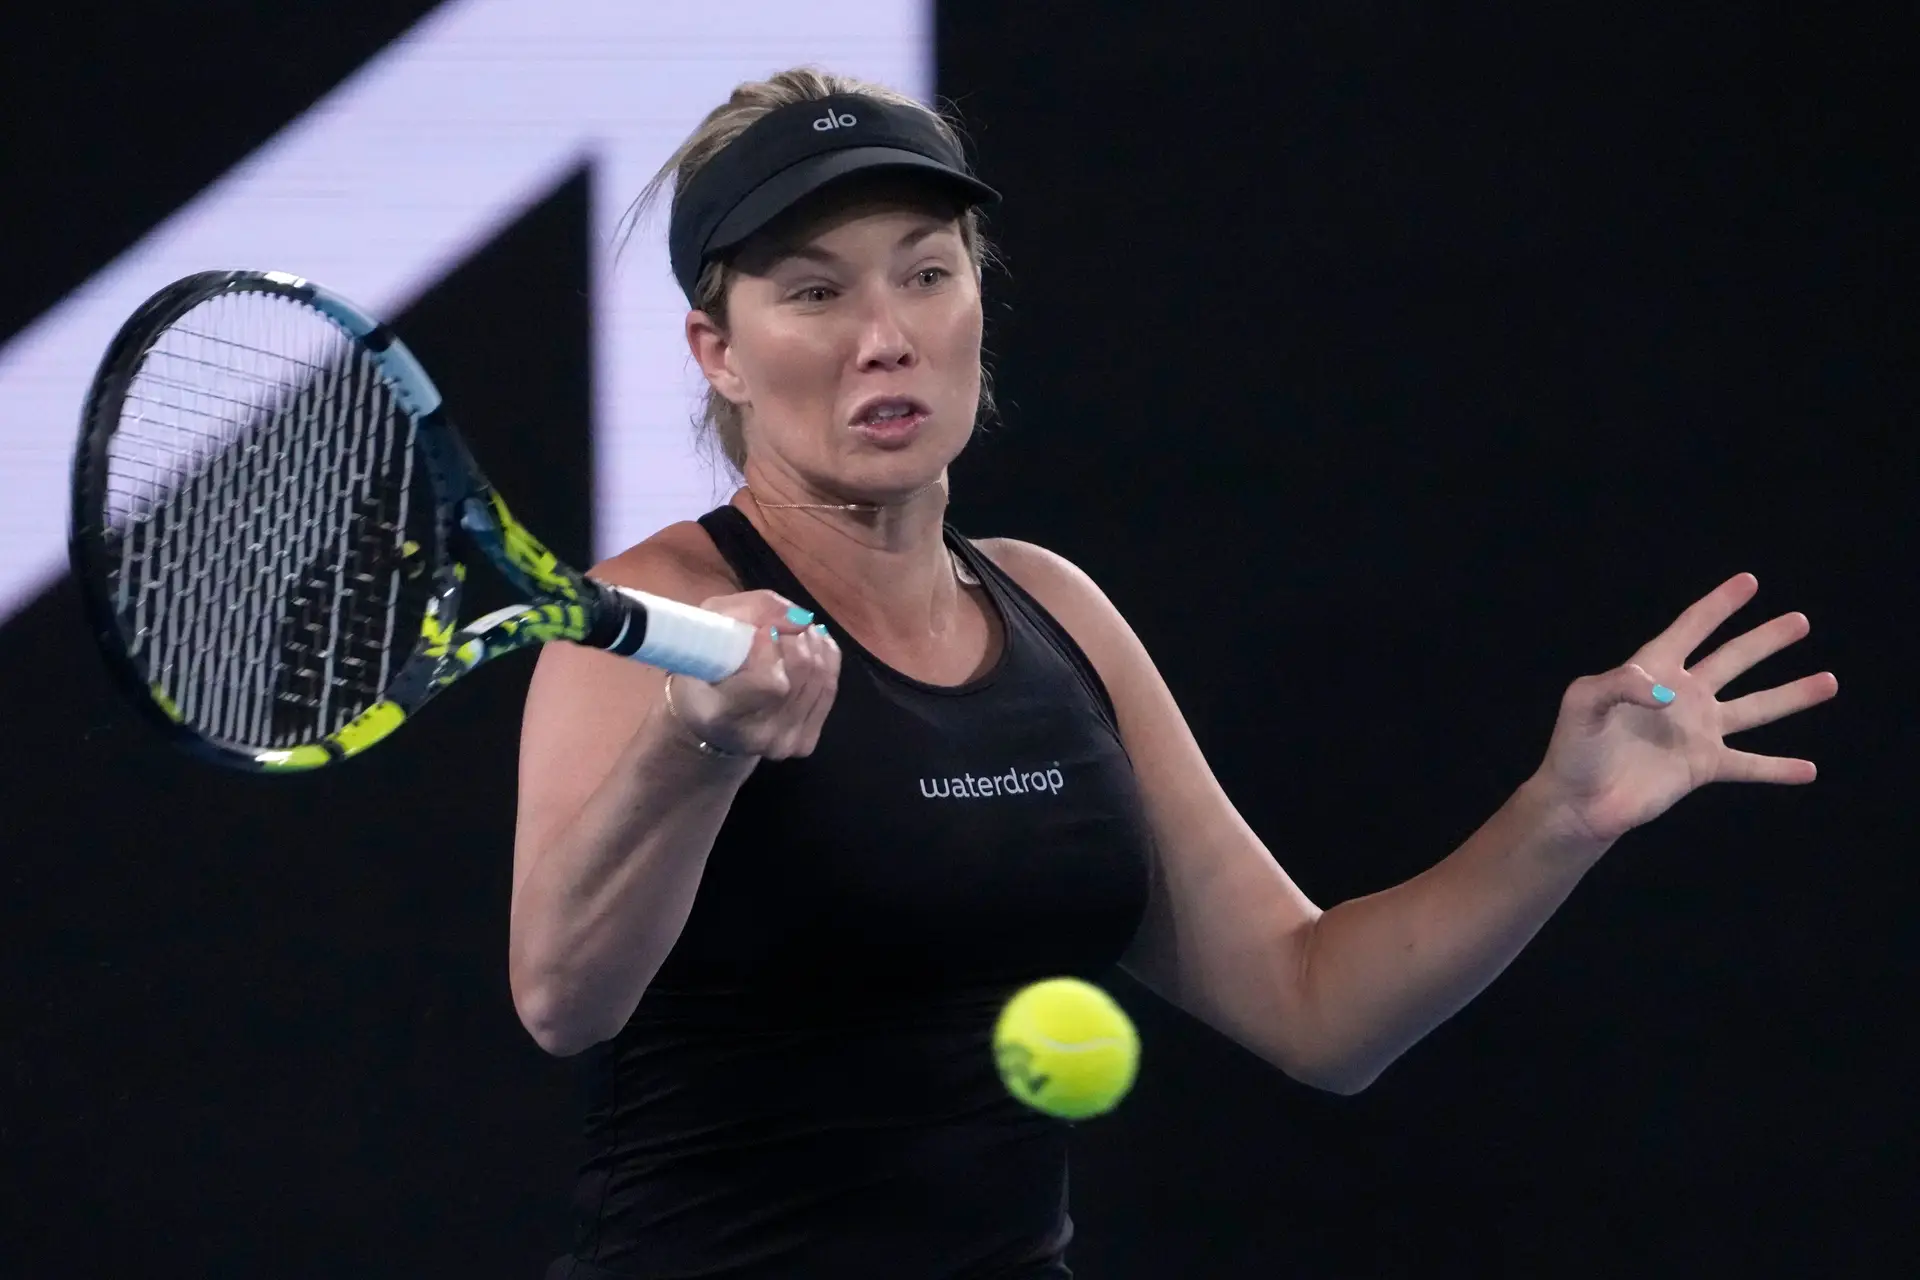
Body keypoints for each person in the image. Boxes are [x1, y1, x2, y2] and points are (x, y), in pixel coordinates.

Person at [507, 68, 1837, 1279]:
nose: (886, 334)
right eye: (814, 290)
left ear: (979, 298)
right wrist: (702, 742)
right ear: (718, 351)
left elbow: (1318, 1008)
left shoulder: (1054, 607)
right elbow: (563, 998)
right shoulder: (652, 614)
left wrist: (1562, 816)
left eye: (926, 273)